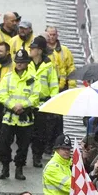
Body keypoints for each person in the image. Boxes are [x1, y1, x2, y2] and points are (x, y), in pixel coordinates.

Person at [0, 49, 40, 181]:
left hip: (25, 119)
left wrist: (23, 105)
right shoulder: (8, 78)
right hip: (9, 117)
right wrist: (13, 106)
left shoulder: (33, 79)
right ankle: (5, 167)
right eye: (17, 62)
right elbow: (2, 96)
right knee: (3, 144)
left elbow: (35, 97)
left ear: (27, 63)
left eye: (22, 62)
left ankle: (19, 168)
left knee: (23, 146)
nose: (19, 64)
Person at [28, 36, 59, 168]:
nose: (30, 50)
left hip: (42, 104)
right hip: (28, 103)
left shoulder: (48, 66)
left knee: (40, 133)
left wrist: (52, 102)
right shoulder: (26, 63)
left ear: (39, 50)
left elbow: (53, 85)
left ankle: (37, 156)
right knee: (27, 133)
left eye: (33, 48)